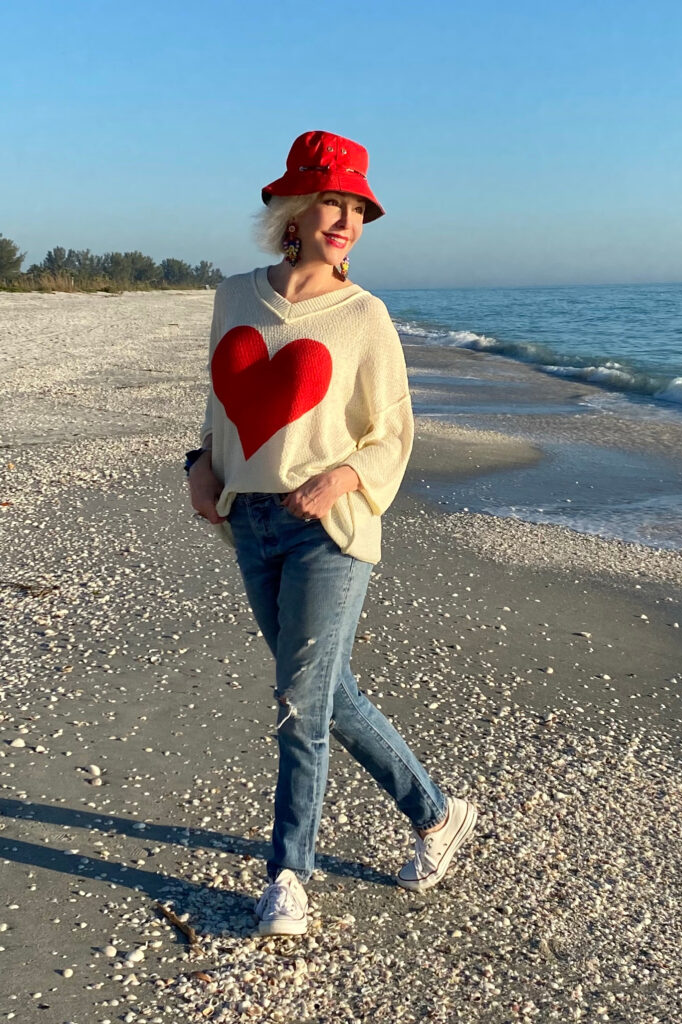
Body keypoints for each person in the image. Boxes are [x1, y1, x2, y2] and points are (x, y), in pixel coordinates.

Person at [187, 130, 476, 937]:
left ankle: (289, 876)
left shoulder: (365, 316)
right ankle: (439, 815)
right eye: (332, 202)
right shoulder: (236, 296)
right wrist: (199, 464)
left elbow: (392, 434)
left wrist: (340, 478)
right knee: (323, 693)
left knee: (297, 703)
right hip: (249, 522)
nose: (346, 219)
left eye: (358, 208)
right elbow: (221, 401)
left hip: (330, 528)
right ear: (293, 211)